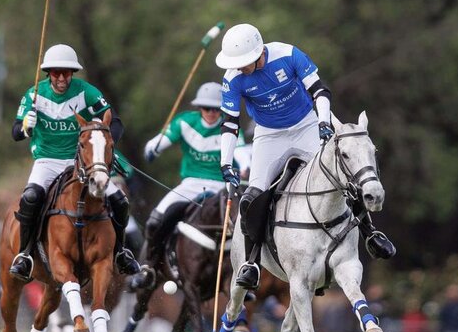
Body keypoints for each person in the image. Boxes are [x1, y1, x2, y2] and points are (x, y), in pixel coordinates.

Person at [215, 23, 396, 290]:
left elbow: (319, 91)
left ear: (259, 53)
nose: (240, 67)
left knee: (342, 178)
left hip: (306, 126)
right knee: (251, 197)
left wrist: (323, 122)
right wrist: (225, 161)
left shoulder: (288, 54)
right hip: (269, 135)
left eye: (244, 62)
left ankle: (371, 234)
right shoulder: (232, 78)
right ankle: (251, 262)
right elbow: (230, 123)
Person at [8, 44, 140, 282]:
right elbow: (16, 132)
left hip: (81, 161)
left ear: (72, 74)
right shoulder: (33, 95)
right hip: (47, 161)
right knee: (30, 198)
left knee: (119, 200)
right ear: (48, 73)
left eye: (66, 73)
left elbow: (116, 122)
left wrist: (105, 140)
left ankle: (120, 252)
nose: (61, 78)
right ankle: (25, 254)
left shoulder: (87, 92)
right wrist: (27, 126)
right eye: (56, 73)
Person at [132, 82, 245, 286]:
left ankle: (243, 275)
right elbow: (160, 140)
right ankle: (148, 266)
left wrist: (246, 167)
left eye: (215, 109)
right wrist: (152, 149)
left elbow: (243, 154)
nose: (210, 113)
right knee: (154, 221)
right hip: (190, 185)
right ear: (199, 107)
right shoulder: (184, 122)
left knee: (243, 225)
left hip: (220, 187)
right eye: (206, 108)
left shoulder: (229, 127)